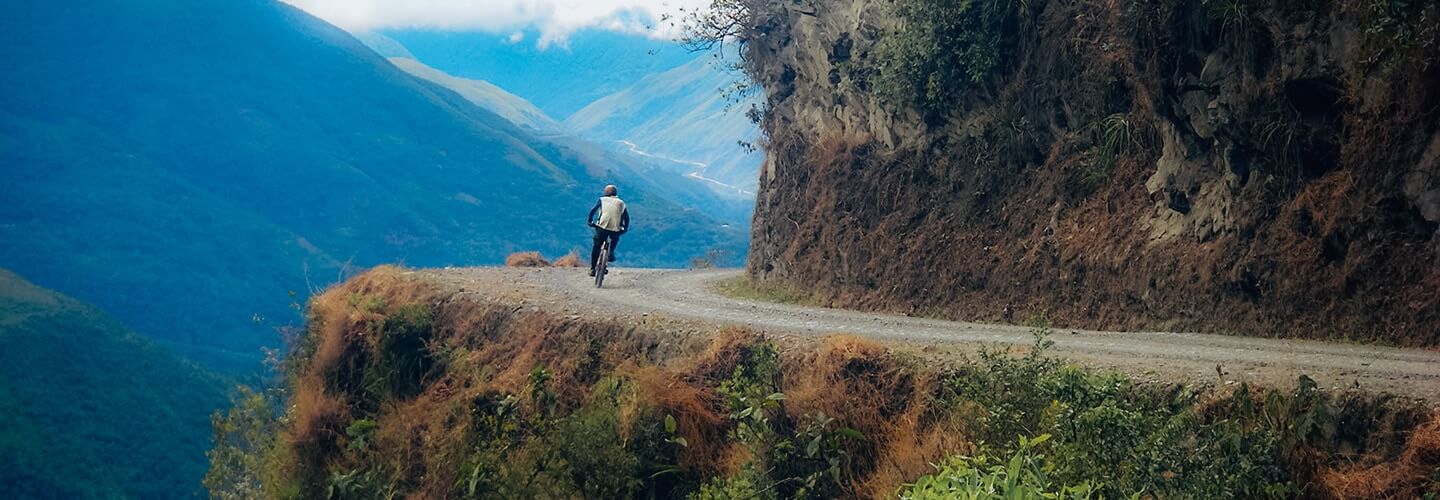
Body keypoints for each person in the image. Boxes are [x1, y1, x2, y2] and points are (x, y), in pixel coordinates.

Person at [587, 184, 629, 276]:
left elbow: (593, 210)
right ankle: (611, 252)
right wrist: (625, 228)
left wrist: (590, 221)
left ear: (606, 193)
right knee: (615, 238)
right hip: (615, 229)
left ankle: (593, 268)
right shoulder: (621, 203)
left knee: (596, 247)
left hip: (601, 227)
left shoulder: (602, 200)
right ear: (616, 193)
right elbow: (626, 218)